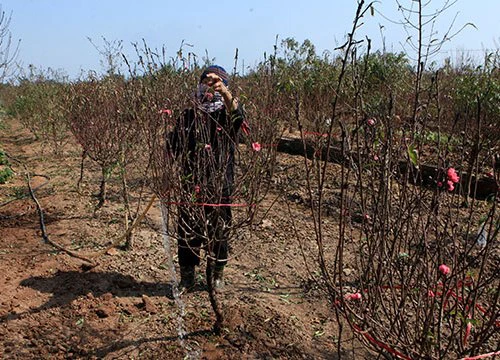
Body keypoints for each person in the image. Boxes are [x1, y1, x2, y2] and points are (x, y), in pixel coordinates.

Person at [169, 65, 245, 290]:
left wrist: (225, 93)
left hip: (220, 184)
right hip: (190, 183)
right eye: (205, 81)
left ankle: (216, 276)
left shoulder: (226, 113)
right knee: (187, 231)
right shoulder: (189, 115)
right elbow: (173, 145)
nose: (208, 86)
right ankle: (187, 277)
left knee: (219, 231)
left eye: (215, 82)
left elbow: (238, 116)